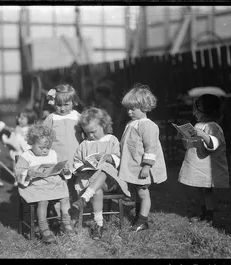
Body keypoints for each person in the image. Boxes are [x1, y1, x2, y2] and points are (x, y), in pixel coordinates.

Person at [71, 107, 130, 240]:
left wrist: (107, 157)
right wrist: (83, 167)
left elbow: (118, 159)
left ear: (103, 125)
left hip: (108, 181)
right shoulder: (84, 144)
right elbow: (76, 162)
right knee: (95, 189)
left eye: (93, 132)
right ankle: (99, 224)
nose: (90, 135)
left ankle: (84, 198)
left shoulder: (112, 140)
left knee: (104, 168)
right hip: (90, 181)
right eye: (87, 133)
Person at [118, 83, 167, 232]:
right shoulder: (132, 123)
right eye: (128, 109)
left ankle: (143, 220)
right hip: (133, 165)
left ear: (144, 107)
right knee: (137, 192)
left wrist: (147, 166)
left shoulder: (147, 125)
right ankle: (139, 215)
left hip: (141, 166)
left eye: (133, 109)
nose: (129, 112)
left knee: (143, 192)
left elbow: (151, 147)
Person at [14, 124, 75, 243]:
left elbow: (59, 169)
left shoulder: (52, 154)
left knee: (65, 197)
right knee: (43, 200)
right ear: (32, 142)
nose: (45, 150)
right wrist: (28, 174)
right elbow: (18, 172)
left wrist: (65, 171)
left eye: (47, 147)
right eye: (41, 147)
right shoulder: (27, 156)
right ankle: (44, 228)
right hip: (36, 185)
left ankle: (66, 222)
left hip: (52, 183)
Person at [178, 94, 229, 224]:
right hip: (197, 164)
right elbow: (189, 145)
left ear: (204, 111)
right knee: (200, 190)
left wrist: (202, 135)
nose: (194, 113)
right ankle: (203, 213)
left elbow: (214, 143)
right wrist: (184, 137)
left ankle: (209, 216)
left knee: (207, 191)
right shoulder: (197, 125)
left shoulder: (213, 126)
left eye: (196, 110)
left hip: (207, 166)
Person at [43, 84, 84, 199]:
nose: (62, 108)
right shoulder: (51, 118)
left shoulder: (77, 116)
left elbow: (86, 132)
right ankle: (62, 208)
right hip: (58, 157)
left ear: (73, 102)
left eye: (66, 104)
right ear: (53, 103)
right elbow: (43, 136)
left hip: (75, 156)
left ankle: (76, 207)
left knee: (76, 184)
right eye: (59, 105)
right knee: (61, 184)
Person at [2, 108, 38, 186]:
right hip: (17, 153)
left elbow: (23, 142)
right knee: (16, 166)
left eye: (22, 118)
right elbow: (14, 141)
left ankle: (26, 180)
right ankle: (18, 180)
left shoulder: (29, 130)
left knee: (26, 168)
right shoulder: (18, 129)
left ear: (30, 119)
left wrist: (17, 134)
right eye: (18, 117)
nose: (19, 120)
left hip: (25, 152)